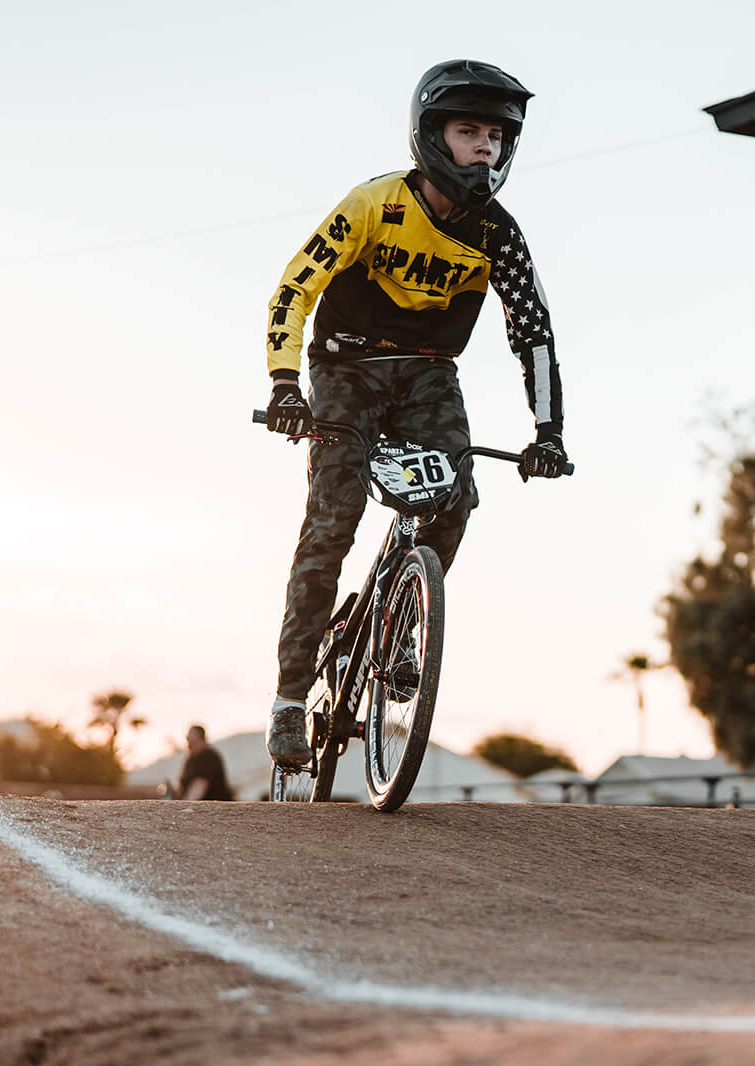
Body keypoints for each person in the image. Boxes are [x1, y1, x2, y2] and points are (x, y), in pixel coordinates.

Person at [261, 59, 568, 764]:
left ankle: (399, 630)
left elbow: (535, 333)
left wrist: (547, 431)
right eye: (469, 131)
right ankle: (287, 699)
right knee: (332, 523)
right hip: (345, 367)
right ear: (432, 135)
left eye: (496, 135)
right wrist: (284, 386)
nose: (486, 147)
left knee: (455, 496)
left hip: (429, 375)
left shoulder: (499, 235)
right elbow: (293, 289)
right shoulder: (374, 205)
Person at [172, 725, 236, 801]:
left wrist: (186, 806)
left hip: (215, 807)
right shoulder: (190, 758)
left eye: (191, 739)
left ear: (201, 739)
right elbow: (181, 785)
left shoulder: (209, 757)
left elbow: (200, 785)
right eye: (187, 739)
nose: (188, 742)